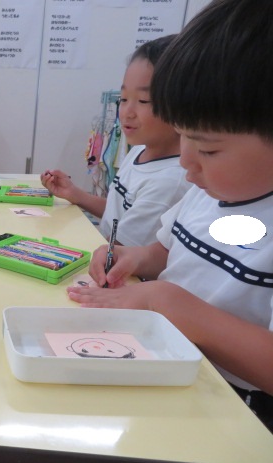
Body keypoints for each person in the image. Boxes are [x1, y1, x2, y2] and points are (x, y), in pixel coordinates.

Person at [67, 0, 273, 433]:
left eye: (208, 149)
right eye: (183, 137)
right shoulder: (207, 190)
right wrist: (134, 258)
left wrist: (167, 302)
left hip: (236, 411)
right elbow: (167, 249)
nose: (185, 162)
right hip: (168, 362)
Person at [41, 35, 191, 247]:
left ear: (183, 106)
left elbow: (118, 252)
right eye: (124, 99)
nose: (127, 112)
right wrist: (76, 194)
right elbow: (118, 217)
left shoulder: (169, 183)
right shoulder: (139, 150)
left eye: (143, 101)